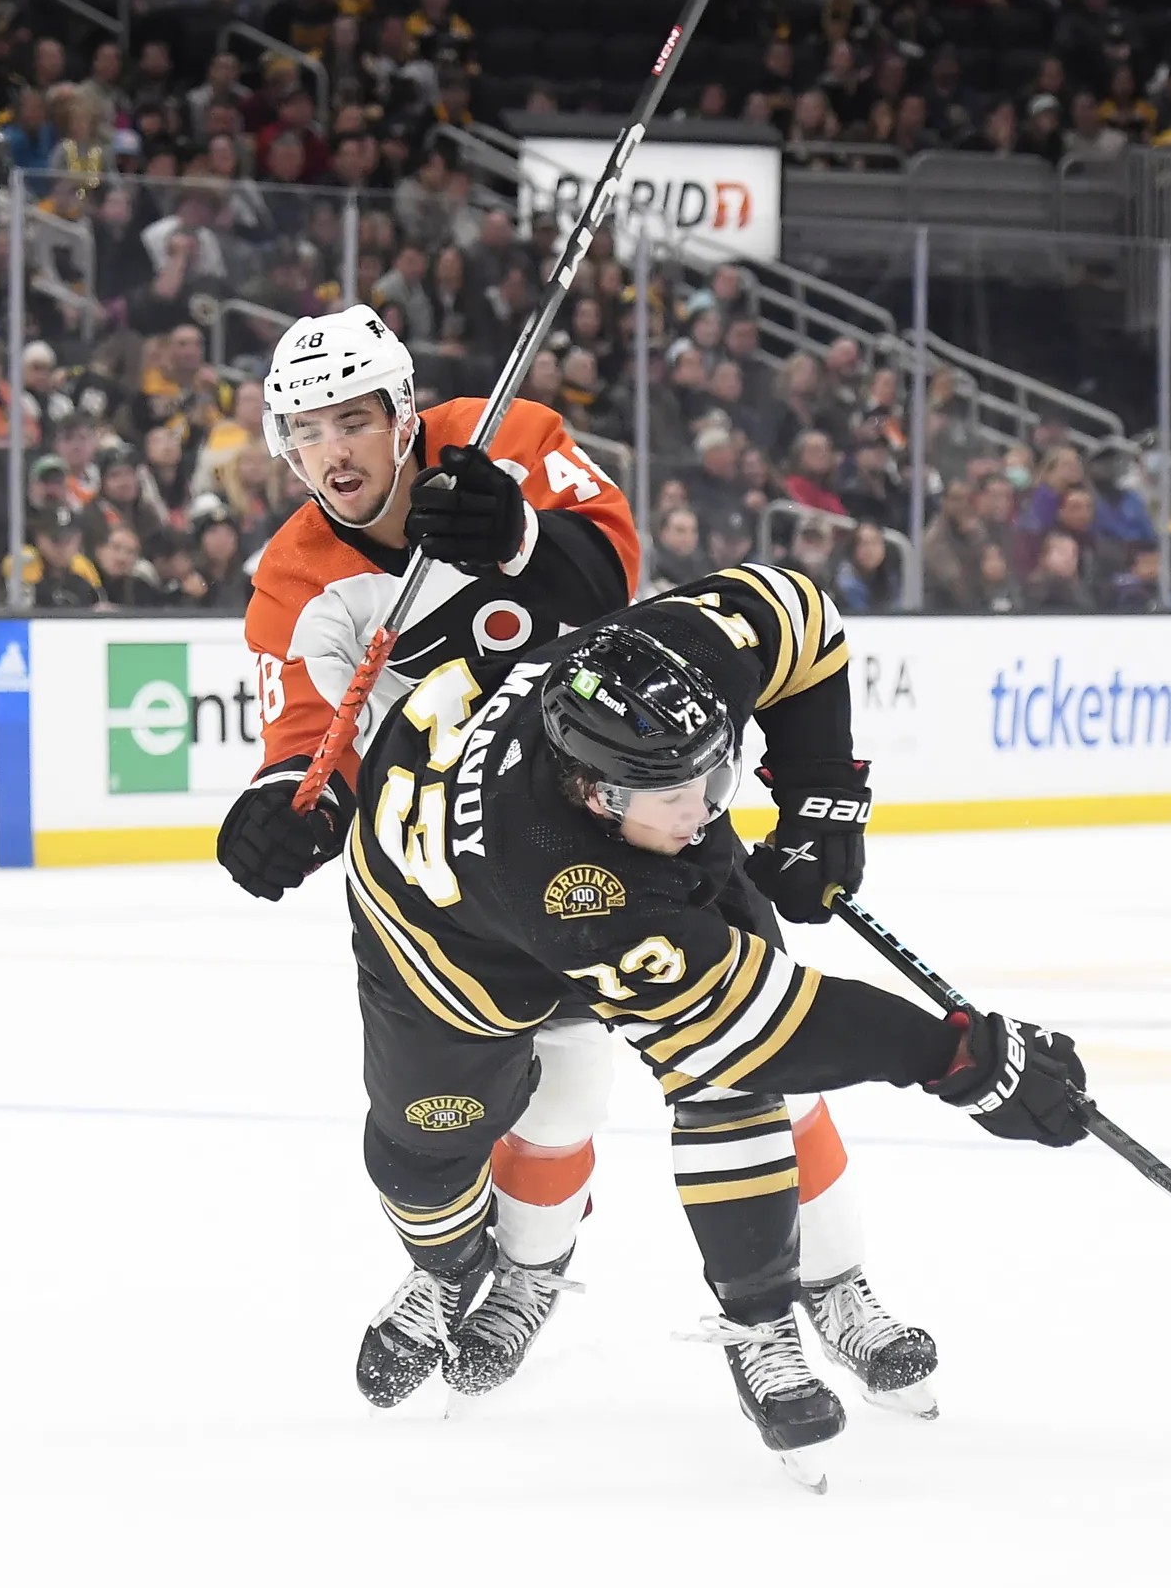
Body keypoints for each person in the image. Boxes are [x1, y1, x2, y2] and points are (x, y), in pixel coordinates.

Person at [218, 309, 940, 1422]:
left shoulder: (511, 437)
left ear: (403, 414)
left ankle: (834, 1285)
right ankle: (513, 1272)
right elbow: (313, 754)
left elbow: (615, 595)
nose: (335, 453)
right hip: (473, 876)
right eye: (307, 431)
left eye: (355, 419)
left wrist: (515, 540)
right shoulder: (294, 582)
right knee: (552, 1082)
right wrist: (279, 819)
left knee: (754, 1056)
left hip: (640, 812)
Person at [339, 564, 1085, 1475]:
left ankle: (787, 1306)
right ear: (596, 795)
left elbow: (798, 616)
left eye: (715, 778)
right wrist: (956, 1059)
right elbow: (756, 1020)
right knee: (438, 1148)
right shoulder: (570, 884)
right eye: (677, 799)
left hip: (597, 867)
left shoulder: (672, 676)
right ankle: (458, 1265)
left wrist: (820, 794)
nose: (708, 814)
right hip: (439, 944)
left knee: (742, 1080)